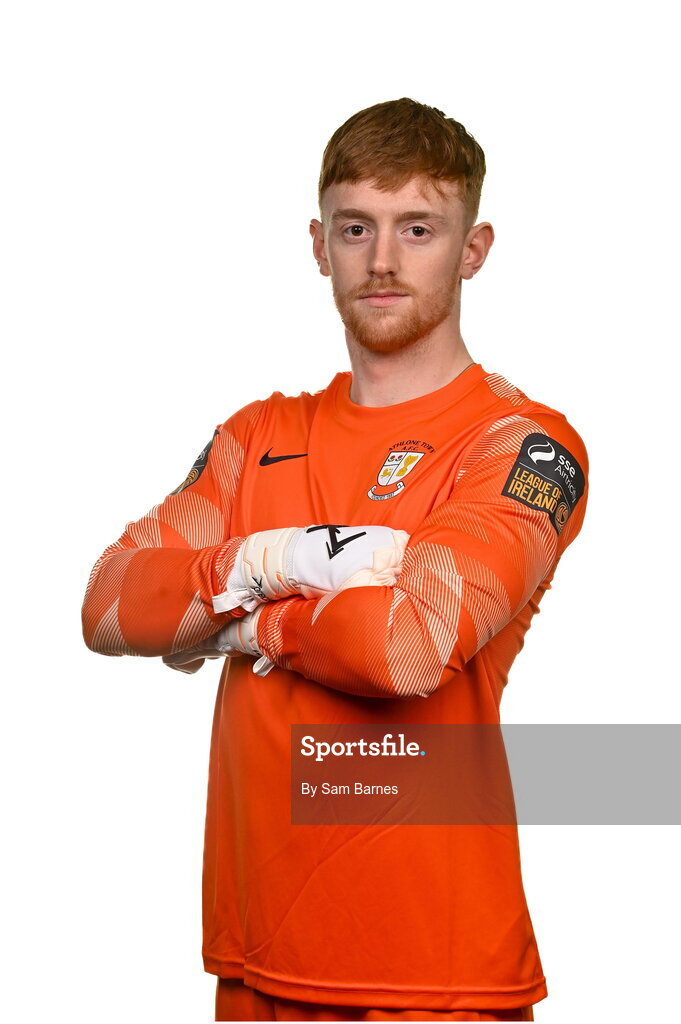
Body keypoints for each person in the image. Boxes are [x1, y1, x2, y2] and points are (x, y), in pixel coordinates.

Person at [82, 97, 588, 1022]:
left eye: (418, 228)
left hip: (433, 972)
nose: (383, 259)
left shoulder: (519, 446)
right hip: (258, 952)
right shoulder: (256, 435)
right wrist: (292, 556)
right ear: (320, 245)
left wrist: (237, 611)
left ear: (471, 250)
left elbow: (404, 647)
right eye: (357, 227)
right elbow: (111, 607)